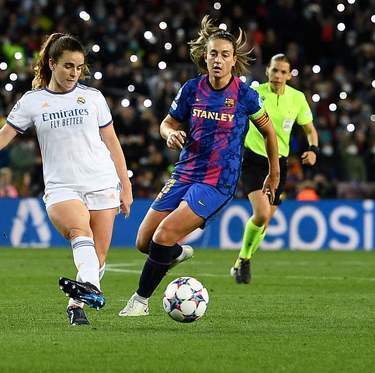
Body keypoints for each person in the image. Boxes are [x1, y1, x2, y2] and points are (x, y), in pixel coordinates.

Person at [0, 33, 133, 326]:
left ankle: (77, 304)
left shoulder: (94, 98)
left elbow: (112, 142)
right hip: (62, 186)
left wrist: (125, 185)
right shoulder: (33, 102)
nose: (74, 73)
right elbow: (1, 137)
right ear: (52, 64)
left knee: (99, 255)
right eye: (68, 66)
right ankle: (92, 289)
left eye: (79, 67)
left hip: (102, 182)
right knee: (79, 230)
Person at [118, 16, 279, 317]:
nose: (218, 60)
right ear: (204, 56)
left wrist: (274, 174)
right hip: (185, 172)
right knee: (144, 241)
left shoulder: (245, 95)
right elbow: (167, 123)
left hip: (217, 181)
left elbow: (270, 133)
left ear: (233, 60)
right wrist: (170, 134)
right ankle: (177, 253)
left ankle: (140, 301)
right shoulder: (192, 89)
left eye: (225, 55)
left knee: (163, 236)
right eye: (213, 53)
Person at [231, 53, 317, 283]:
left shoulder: (297, 98)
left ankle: (241, 260)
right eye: (275, 70)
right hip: (253, 160)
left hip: (279, 164)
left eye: (283, 72)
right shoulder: (255, 93)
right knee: (261, 214)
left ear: (289, 75)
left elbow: (310, 130)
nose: (278, 75)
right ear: (267, 70)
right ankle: (245, 260)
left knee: (265, 222)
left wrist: (313, 149)